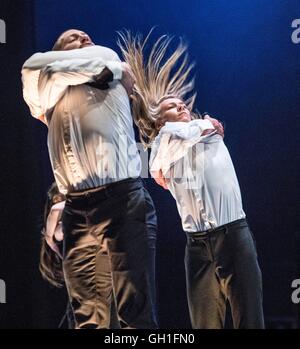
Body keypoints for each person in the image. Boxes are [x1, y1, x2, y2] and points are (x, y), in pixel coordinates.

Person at [118, 31, 265, 329]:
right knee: (203, 324)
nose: (183, 106)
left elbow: (177, 144)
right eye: (174, 106)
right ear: (160, 120)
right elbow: (153, 165)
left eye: (183, 103)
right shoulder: (165, 144)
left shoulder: (205, 130)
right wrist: (163, 153)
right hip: (196, 246)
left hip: (234, 236)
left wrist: (183, 138)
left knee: (250, 320)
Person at [22, 29, 157, 329]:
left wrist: (54, 78)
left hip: (121, 200)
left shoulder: (106, 56)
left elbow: (99, 65)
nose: (85, 38)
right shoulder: (37, 67)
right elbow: (33, 71)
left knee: (134, 315)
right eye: (74, 37)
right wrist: (94, 73)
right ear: (54, 48)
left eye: (87, 38)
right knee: (87, 320)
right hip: (76, 210)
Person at [40, 182, 120, 329]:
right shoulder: (63, 224)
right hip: (88, 281)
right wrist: (50, 238)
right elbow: (54, 213)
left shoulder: (75, 216)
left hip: (99, 277)